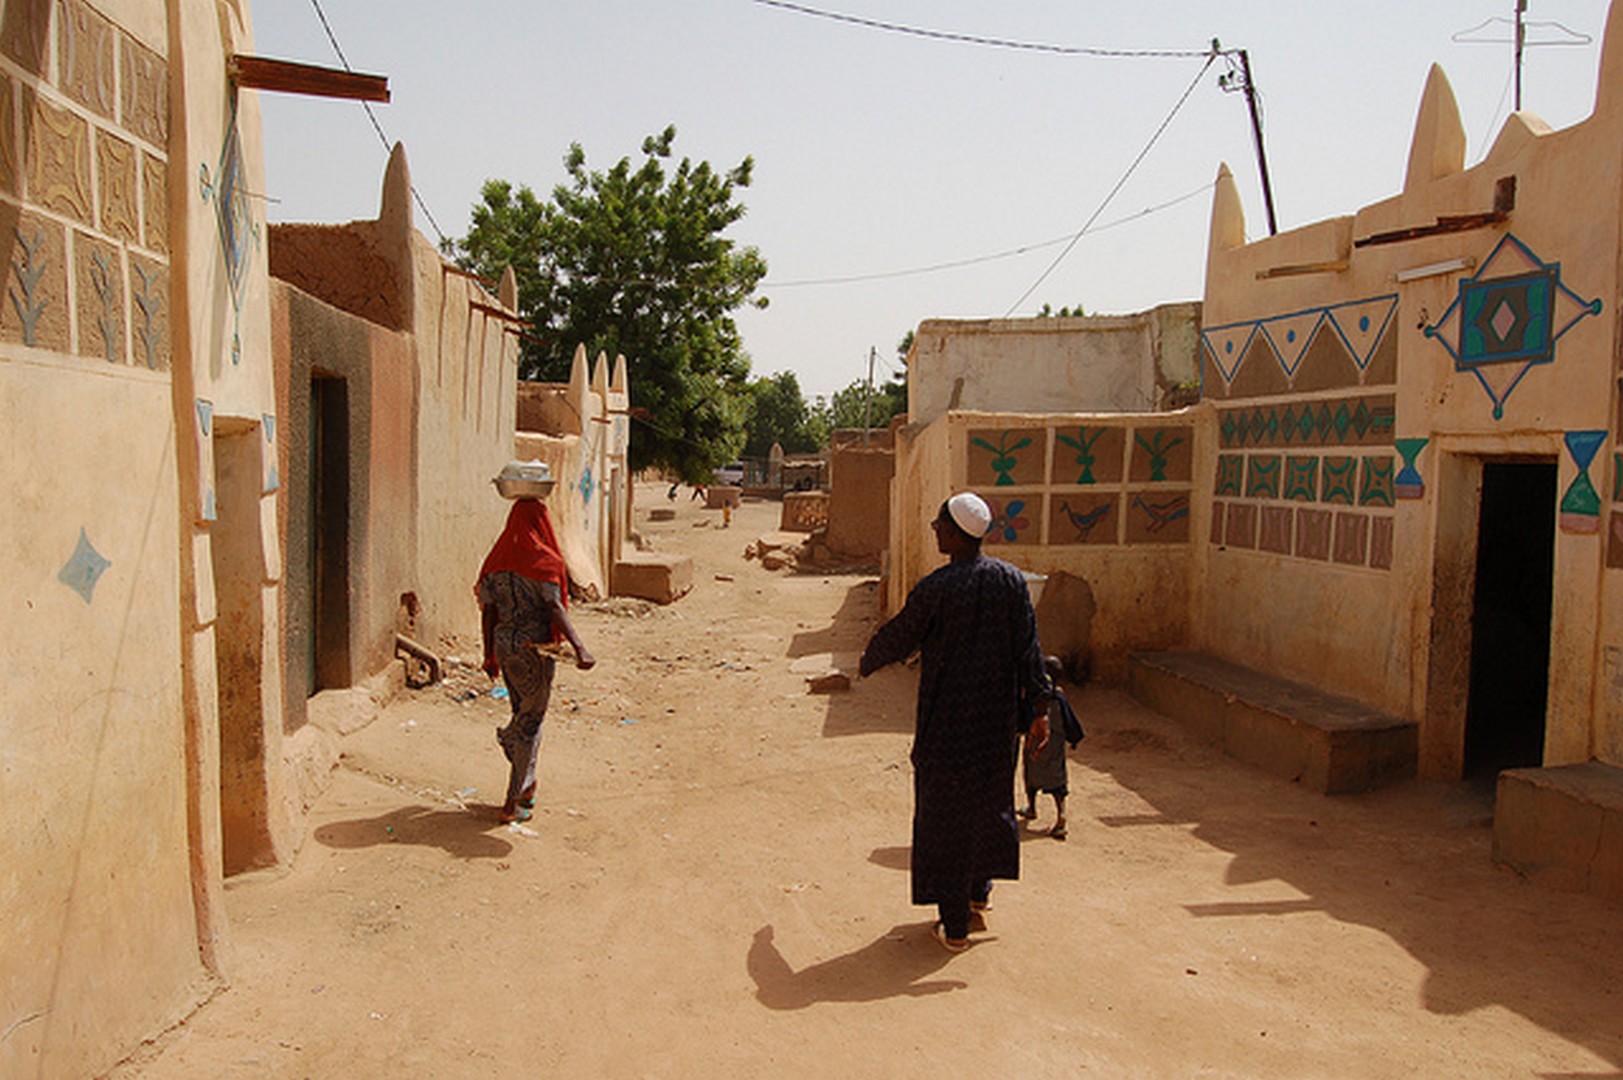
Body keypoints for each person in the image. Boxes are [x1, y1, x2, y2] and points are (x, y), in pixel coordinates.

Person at [859, 492, 1050, 952]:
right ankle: (978, 897)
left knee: (945, 820)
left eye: (937, 525)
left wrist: (867, 659)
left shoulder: (937, 588)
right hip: (995, 725)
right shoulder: (1011, 582)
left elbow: (901, 635)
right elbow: (1030, 650)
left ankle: (955, 926)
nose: (934, 530)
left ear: (953, 532)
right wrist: (1039, 710)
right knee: (987, 805)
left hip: (947, 726)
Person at [477, 497, 596, 824]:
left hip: (505, 644)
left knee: (524, 712)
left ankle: (527, 787)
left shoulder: (495, 562)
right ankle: (512, 800)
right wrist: (579, 646)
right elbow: (554, 607)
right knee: (529, 722)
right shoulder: (545, 563)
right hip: (535, 650)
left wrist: (489, 652)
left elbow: (489, 611)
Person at [1019, 656, 1085, 839]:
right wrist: (1074, 739)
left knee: (1031, 778)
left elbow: (1025, 716)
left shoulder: (1036, 699)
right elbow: (1069, 721)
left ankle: (1031, 807)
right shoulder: (1060, 698)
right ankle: (1061, 816)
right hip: (1055, 748)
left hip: (1034, 746)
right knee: (1058, 785)